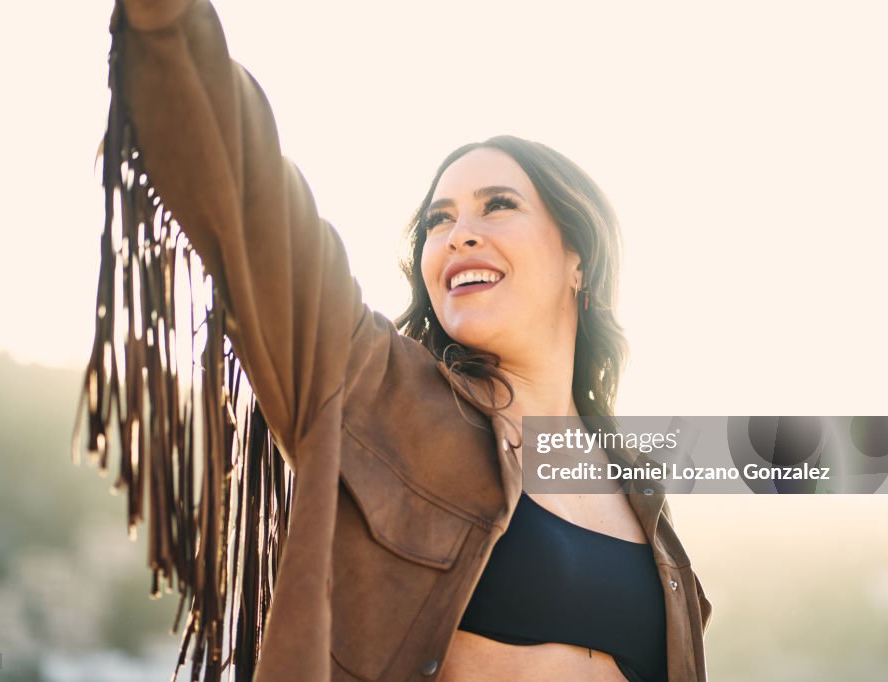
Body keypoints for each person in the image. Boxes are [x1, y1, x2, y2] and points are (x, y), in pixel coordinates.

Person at [78, 1, 712, 680]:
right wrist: (168, 24)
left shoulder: (635, 480)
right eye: (439, 220)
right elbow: (252, 196)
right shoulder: (384, 394)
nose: (459, 234)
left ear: (577, 260)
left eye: (498, 205)